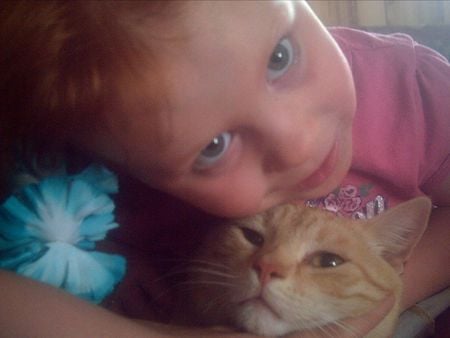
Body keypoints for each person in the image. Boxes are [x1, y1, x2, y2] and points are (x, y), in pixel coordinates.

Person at [0, 1, 448, 337]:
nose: (297, 143)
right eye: (212, 147)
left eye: (280, 57)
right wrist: (113, 261)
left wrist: (390, 297)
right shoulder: (104, 191)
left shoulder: (412, 89)